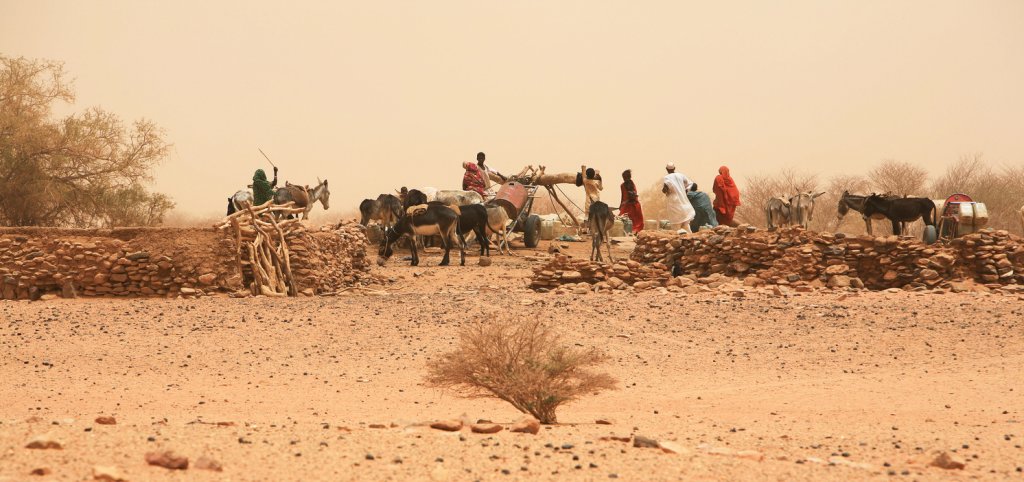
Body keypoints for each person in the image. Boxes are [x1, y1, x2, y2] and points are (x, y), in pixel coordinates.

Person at [662, 162, 696, 233]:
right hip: (684, 203)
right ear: (674, 168)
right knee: (686, 224)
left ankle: (678, 241)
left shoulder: (667, 178)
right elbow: (691, 184)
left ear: (666, 169)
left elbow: (666, 188)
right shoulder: (681, 175)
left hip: (674, 204)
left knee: (676, 226)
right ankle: (689, 238)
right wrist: (685, 191)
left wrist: (664, 190)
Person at [619, 169, 644, 235]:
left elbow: (624, 196)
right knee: (636, 222)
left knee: (622, 220)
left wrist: (622, 204)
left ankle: (631, 233)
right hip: (634, 205)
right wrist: (621, 204)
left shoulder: (624, 185)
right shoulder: (631, 184)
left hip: (629, 206)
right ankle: (634, 232)